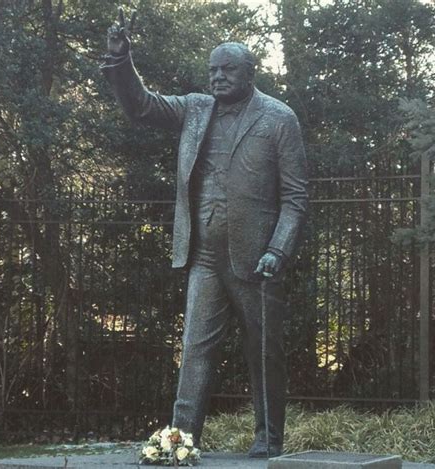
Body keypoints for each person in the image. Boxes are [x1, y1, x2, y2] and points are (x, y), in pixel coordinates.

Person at [101, 8, 308, 458]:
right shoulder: (195, 109)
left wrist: (278, 249)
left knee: (263, 353)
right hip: (205, 258)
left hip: (257, 261)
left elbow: (295, 197)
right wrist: (121, 62)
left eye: (227, 69)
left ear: (251, 72)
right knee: (194, 349)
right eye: (212, 69)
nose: (217, 77)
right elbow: (142, 106)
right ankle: (180, 443)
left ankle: (268, 440)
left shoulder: (278, 118)